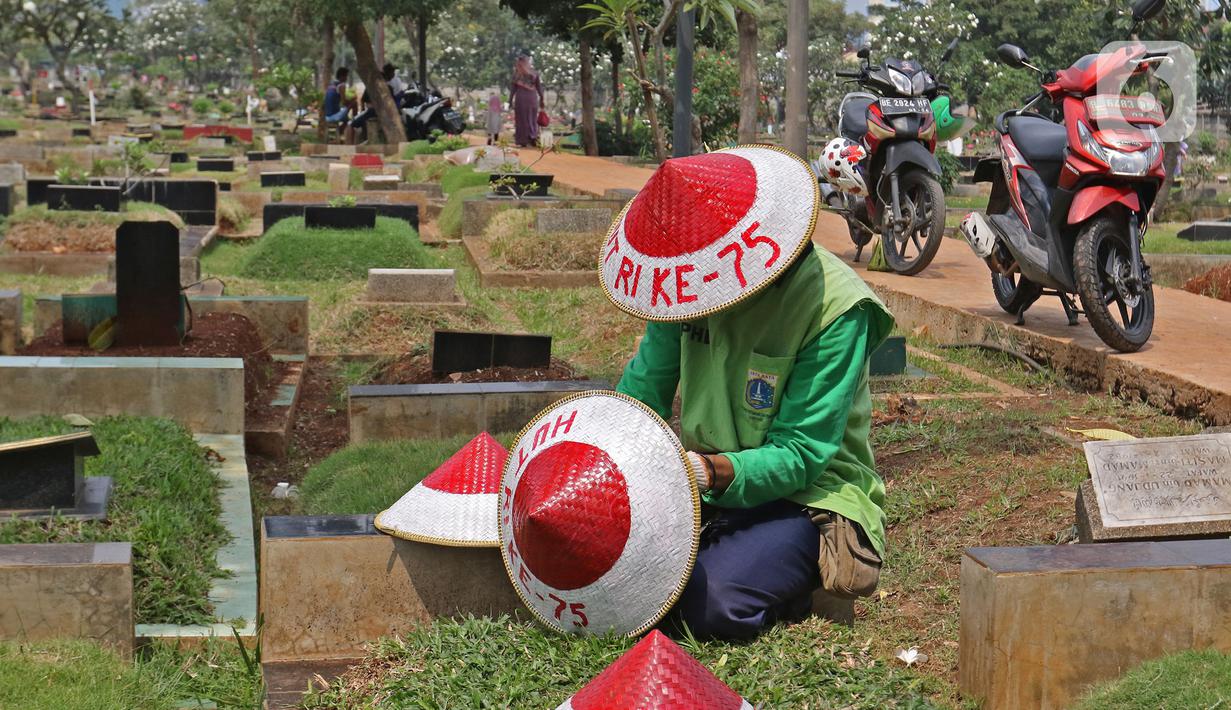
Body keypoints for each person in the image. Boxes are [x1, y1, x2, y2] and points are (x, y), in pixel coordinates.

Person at [607, 146, 895, 640]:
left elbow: (803, 454)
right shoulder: (685, 281)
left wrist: (705, 471)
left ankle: (803, 581)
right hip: (709, 486)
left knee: (709, 604)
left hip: (810, 496)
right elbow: (641, 396)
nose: (698, 288)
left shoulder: (838, 307)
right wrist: (610, 461)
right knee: (625, 576)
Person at [509, 54, 544, 147]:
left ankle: (523, 140)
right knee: (532, 119)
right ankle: (532, 138)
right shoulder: (534, 73)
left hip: (521, 98)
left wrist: (510, 101)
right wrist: (542, 99)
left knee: (522, 119)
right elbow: (539, 87)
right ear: (528, 62)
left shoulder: (516, 74)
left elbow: (513, 89)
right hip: (532, 98)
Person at [323, 67, 351, 141]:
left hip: (327, 115)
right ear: (342, 76)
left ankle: (338, 134)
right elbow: (344, 102)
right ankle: (351, 126)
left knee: (346, 119)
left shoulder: (331, 85)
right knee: (353, 104)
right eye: (346, 76)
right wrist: (351, 101)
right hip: (334, 116)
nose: (346, 78)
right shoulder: (341, 85)